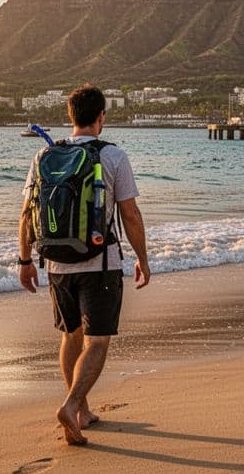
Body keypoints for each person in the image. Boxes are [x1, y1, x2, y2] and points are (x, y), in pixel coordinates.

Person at [18, 85, 151, 446]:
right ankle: (72, 404)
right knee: (98, 341)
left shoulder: (45, 155)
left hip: (57, 264)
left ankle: (83, 411)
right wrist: (142, 258)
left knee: (70, 335)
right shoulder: (113, 156)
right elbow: (131, 214)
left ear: (70, 116)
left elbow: (27, 214)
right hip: (99, 263)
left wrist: (25, 260)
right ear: (101, 117)